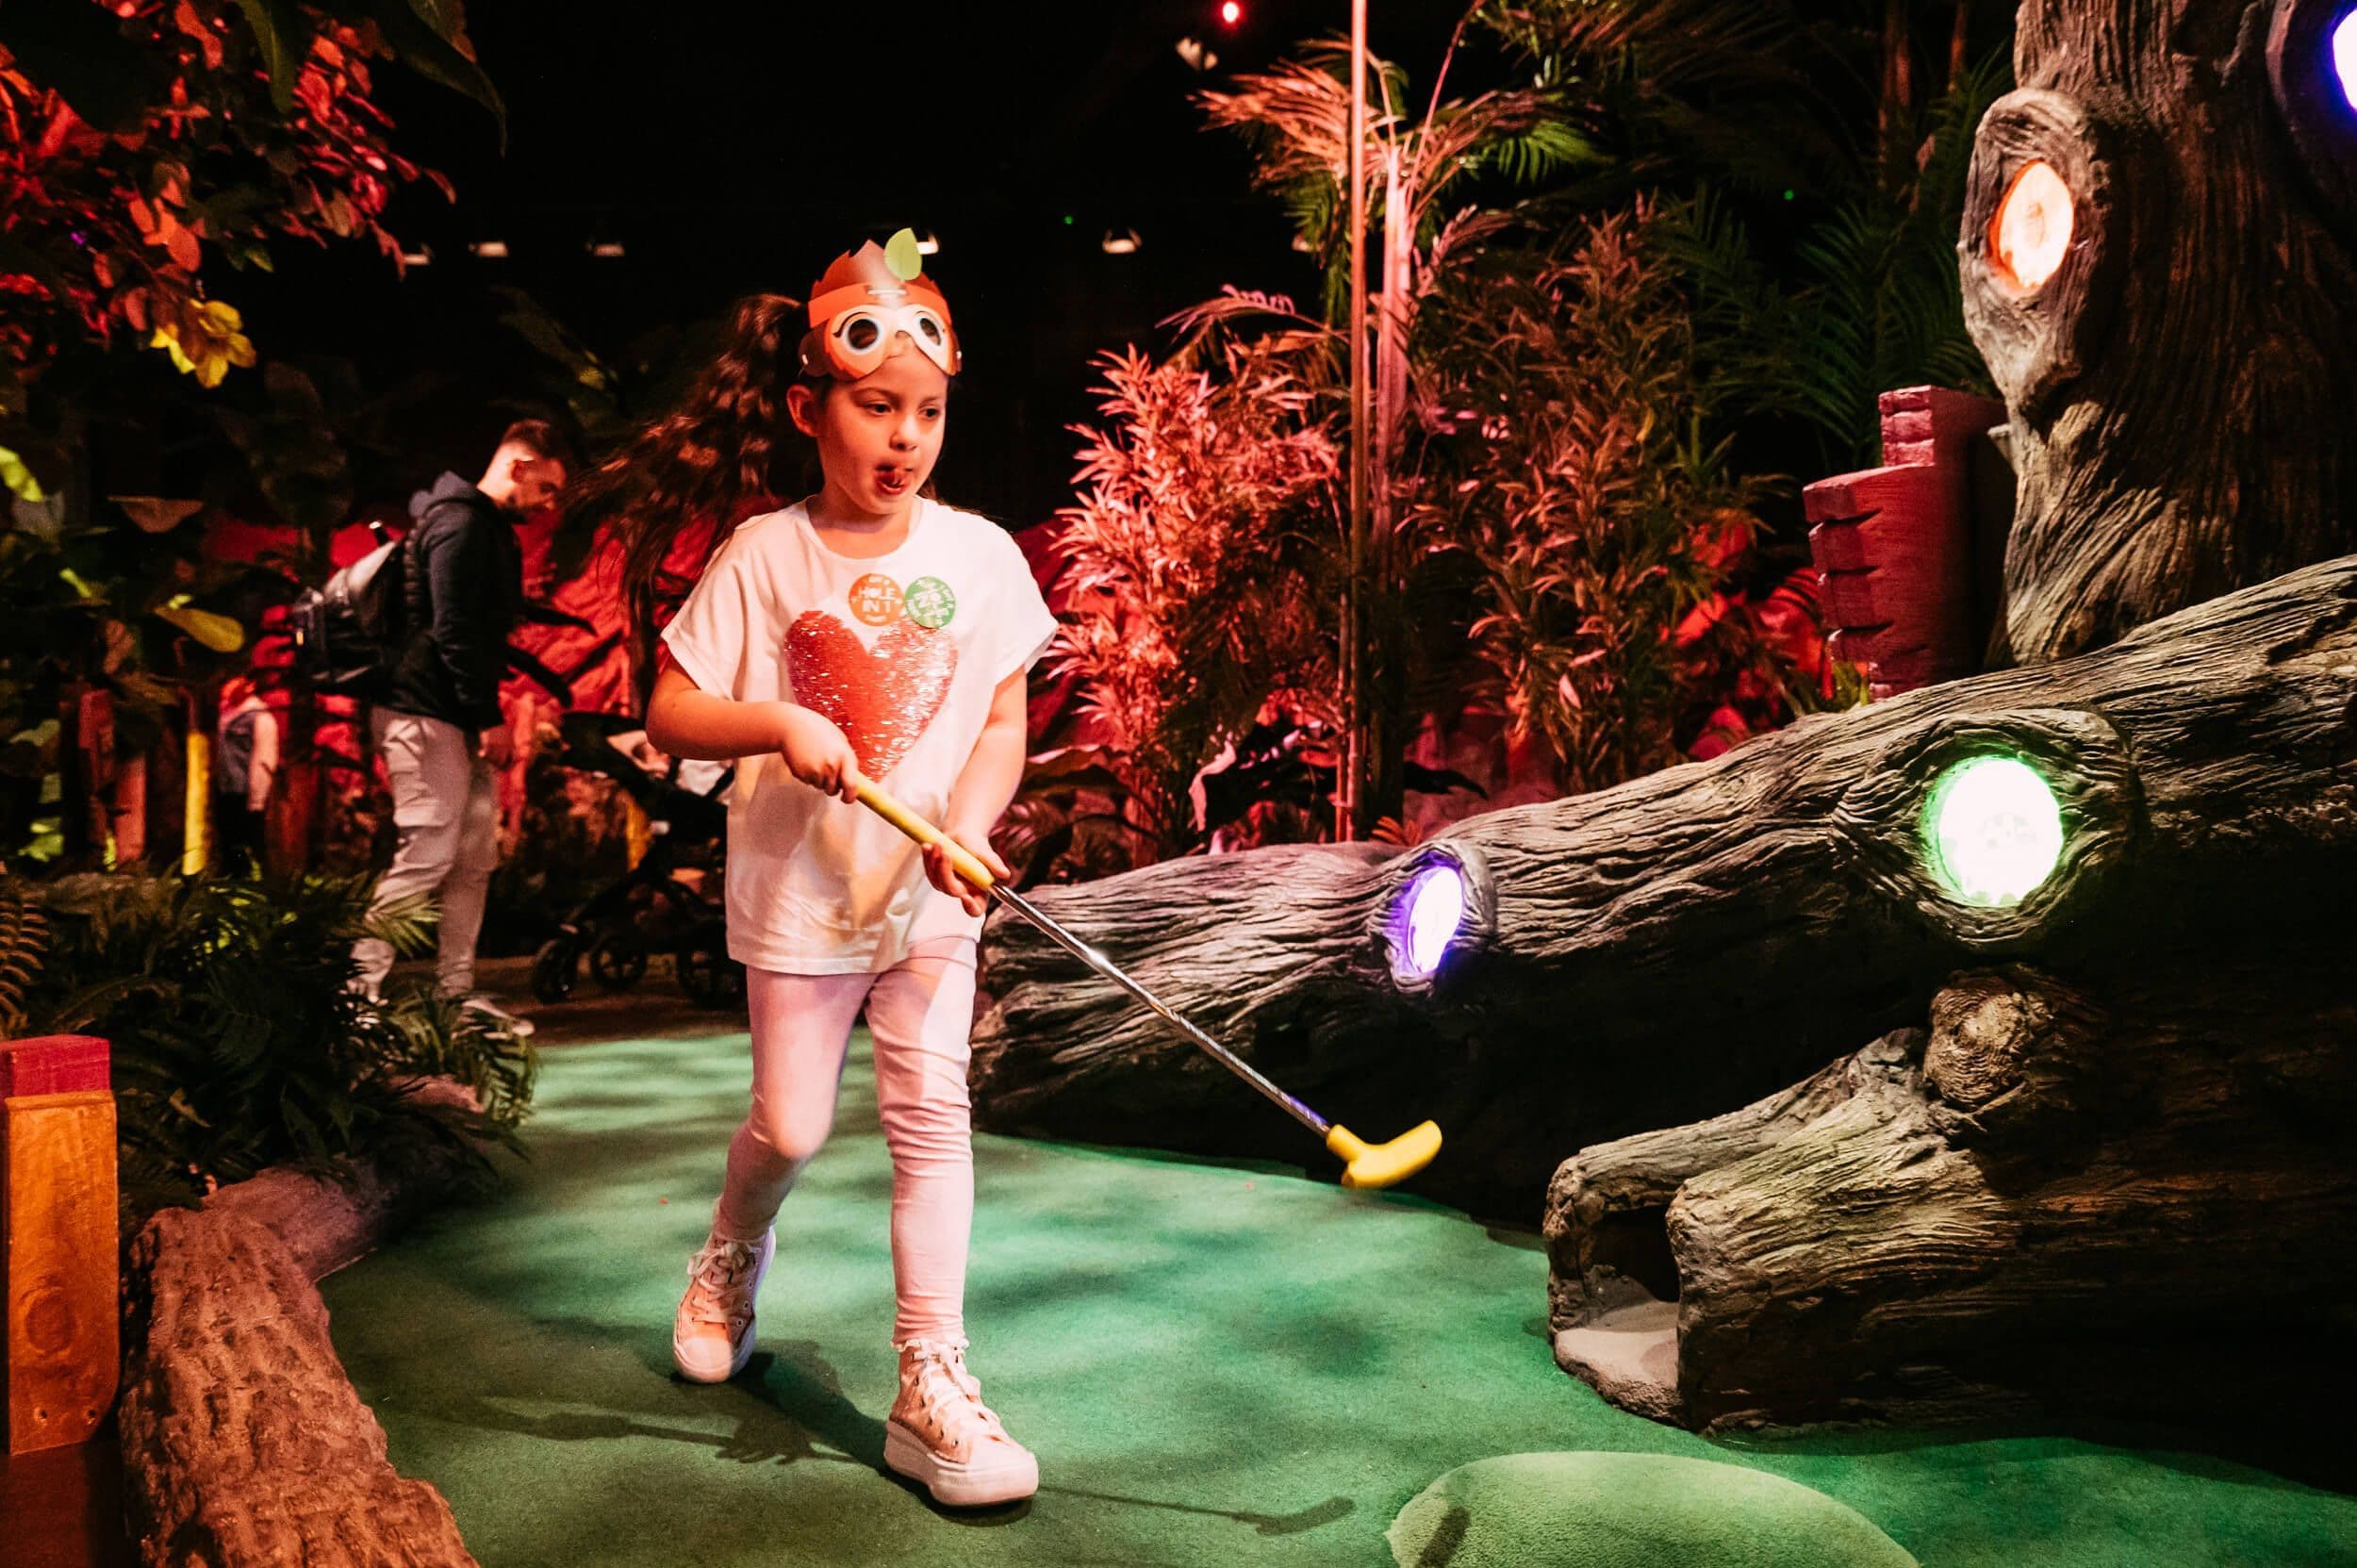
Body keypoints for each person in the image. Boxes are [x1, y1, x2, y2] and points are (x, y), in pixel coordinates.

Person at [572, 232, 1055, 1509]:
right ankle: (733, 1247)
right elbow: (671, 711)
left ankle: (930, 1375)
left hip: (925, 901)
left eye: (930, 412)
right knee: (789, 1124)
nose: (906, 437)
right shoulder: (765, 555)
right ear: (809, 406)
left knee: (930, 1119)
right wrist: (780, 723)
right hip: (798, 898)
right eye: (877, 405)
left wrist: (969, 816)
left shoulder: (983, 559)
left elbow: (1004, 717)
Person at [351, 420, 573, 1033]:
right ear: (520, 465)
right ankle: (354, 993)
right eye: (548, 488)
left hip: (452, 714)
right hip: (423, 711)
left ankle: (455, 994)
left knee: (474, 858)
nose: (550, 504)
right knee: (426, 853)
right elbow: (452, 628)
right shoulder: (460, 522)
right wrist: (487, 716)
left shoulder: (485, 526)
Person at [212, 675, 278, 873]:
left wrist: (257, 797)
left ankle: (252, 879)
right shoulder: (227, 713)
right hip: (226, 788)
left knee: (249, 838)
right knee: (229, 839)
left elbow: (264, 757)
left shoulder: (260, 717)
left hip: (245, 790)